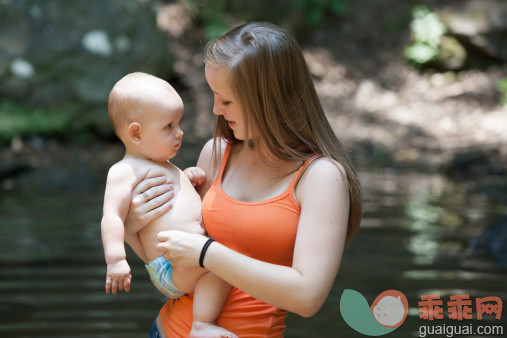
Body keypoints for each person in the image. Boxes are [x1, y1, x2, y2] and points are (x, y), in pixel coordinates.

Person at [125, 22, 362, 337]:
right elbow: (178, 276)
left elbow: (308, 297)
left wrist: (208, 253)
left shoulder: (321, 177)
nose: (215, 110)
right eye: (215, 95)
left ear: (269, 98)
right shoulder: (216, 154)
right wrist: (131, 234)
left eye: (227, 100)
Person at [101, 72, 237, 338]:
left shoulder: (166, 166)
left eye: (179, 123)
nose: (180, 132)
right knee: (221, 263)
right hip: (170, 266)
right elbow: (112, 216)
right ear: (136, 133)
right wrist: (116, 260)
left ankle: (201, 322)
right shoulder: (124, 171)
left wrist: (187, 180)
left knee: (219, 269)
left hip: (188, 259)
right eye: (169, 126)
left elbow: (171, 202)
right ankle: (201, 326)